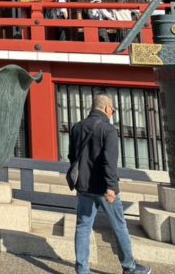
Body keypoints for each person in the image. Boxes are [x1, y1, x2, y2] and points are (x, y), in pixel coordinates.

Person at [68, 94, 151, 274]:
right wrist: (112, 187)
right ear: (106, 108)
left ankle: (82, 270)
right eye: (113, 109)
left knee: (83, 227)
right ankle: (129, 267)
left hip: (83, 186)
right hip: (105, 188)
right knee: (119, 226)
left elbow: (72, 157)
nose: (113, 113)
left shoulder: (77, 127)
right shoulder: (109, 129)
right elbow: (109, 162)